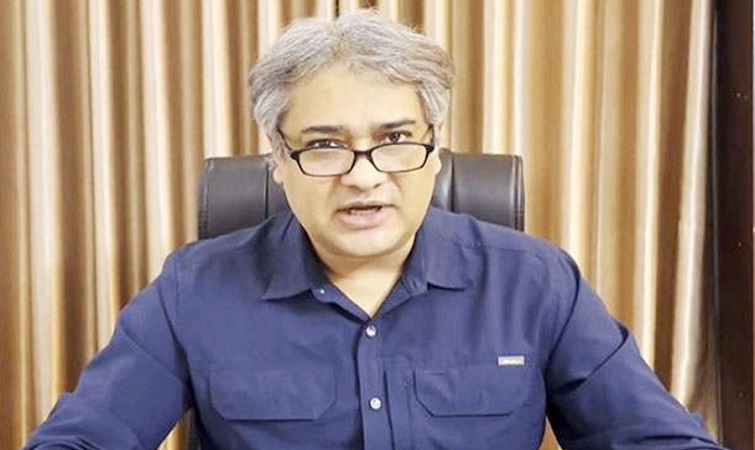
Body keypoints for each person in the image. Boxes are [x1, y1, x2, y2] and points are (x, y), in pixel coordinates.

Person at [26, 10, 726, 450]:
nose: (364, 177)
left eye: (394, 140)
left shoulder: (536, 282)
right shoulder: (194, 289)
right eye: (325, 145)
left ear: (435, 150)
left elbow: (655, 440)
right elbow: (85, 439)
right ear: (278, 162)